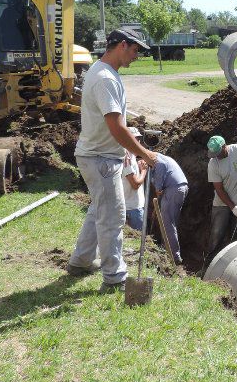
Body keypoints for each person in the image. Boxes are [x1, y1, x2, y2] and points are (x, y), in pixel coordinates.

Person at [67, 28, 157, 293]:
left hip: (99, 156)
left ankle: (80, 262)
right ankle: (114, 277)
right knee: (113, 217)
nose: (137, 56)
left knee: (99, 210)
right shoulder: (105, 78)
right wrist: (144, 153)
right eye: (135, 50)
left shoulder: (104, 72)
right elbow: (117, 127)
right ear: (122, 45)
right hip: (100, 158)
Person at [148, 152, 189, 264]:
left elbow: (158, 189)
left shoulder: (158, 162)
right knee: (170, 222)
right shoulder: (162, 158)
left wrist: (157, 191)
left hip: (173, 189)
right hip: (179, 188)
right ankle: (166, 248)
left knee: (167, 223)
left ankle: (173, 256)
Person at [122, 127, 147, 231]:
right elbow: (135, 184)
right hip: (132, 208)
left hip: (133, 206)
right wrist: (143, 171)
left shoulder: (131, 156)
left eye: (139, 139)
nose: (138, 142)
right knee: (135, 239)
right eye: (135, 139)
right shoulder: (125, 158)